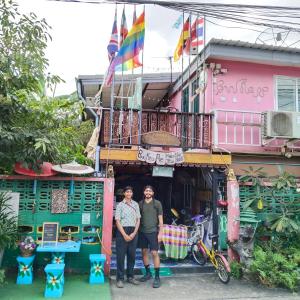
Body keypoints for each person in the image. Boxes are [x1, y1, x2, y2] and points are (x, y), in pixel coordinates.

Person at [115, 186, 141, 288]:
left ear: (132, 193)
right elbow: (117, 221)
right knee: (120, 256)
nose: (129, 193)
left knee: (132, 255)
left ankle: (130, 277)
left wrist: (134, 233)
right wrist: (125, 235)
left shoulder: (135, 204)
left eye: (130, 192)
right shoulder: (120, 205)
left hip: (133, 231)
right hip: (122, 231)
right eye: (127, 192)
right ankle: (120, 279)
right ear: (124, 193)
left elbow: (138, 219)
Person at [138, 185, 163, 288]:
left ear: (152, 193)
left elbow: (161, 219)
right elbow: (138, 218)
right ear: (144, 192)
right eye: (146, 191)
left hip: (153, 232)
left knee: (154, 253)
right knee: (144, 252)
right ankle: (148, 273)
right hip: (143, 232)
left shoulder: (157, 203)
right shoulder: (140, 203)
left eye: (150, 191)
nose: (148, 192)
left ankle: (157, 277)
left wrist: (160, 233)